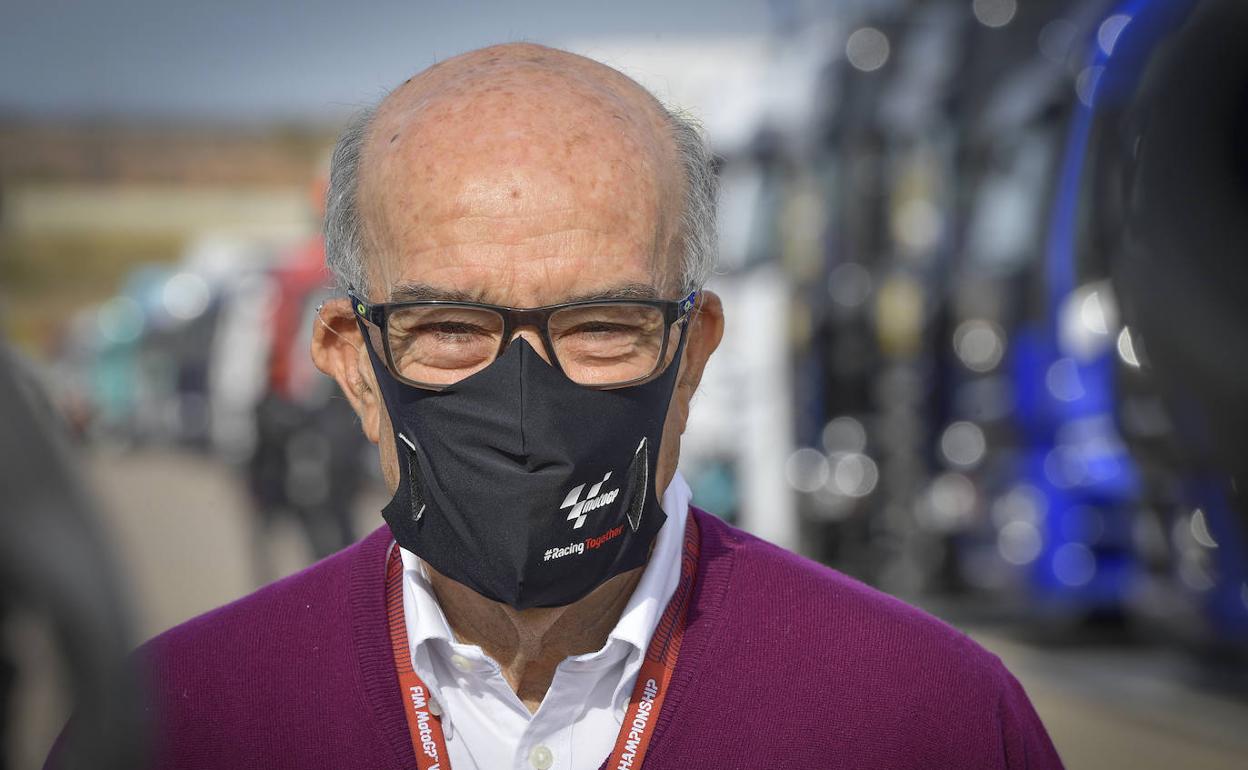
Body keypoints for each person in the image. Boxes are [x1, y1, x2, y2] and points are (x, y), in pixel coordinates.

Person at [49, 43, 1061, 769]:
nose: (526, 398)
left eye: (602, 323)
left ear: (694, 351)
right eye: (450, 325)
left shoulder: (928, 718)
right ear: (354, 365)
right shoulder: (174, 723)